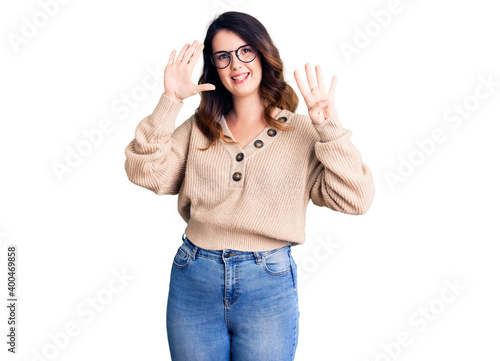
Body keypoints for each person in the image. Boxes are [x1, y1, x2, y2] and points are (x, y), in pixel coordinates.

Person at [124, 11, 375, 361]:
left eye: (245, 51)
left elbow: (356, 199)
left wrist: (328, 126)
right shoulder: (200, 127)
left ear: (262, 53)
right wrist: (171, 101)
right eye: (223, 57)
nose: (235, 64)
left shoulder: (302, 132)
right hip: (194, 278)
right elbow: (144, 171)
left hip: (267, 282)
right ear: (214, 67)